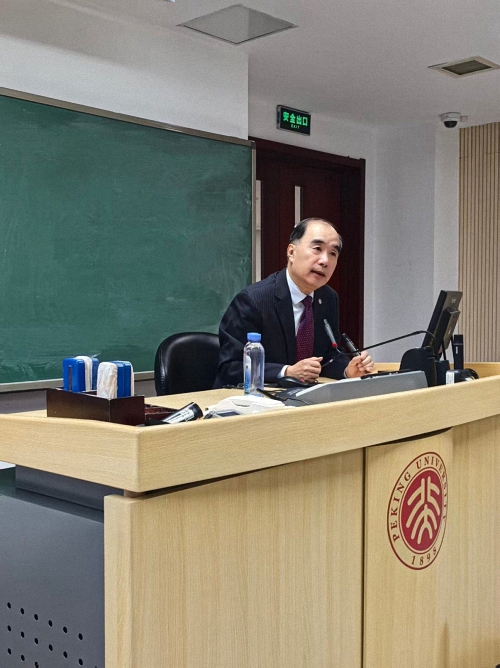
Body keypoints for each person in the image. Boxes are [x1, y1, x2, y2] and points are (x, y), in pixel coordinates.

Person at [213, 217, 373, 388]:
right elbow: (231, 367)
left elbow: (329, 356)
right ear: (291, 252)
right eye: (317, 249)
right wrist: (286, 372)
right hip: (252, 398)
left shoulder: (327, 298)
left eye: (332, 253)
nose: (325, 261)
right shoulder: (253, 300)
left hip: (303, 397)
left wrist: (347, 370)